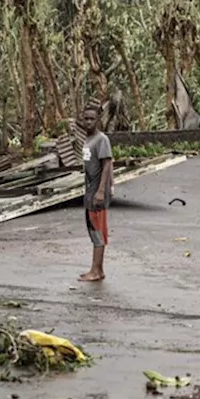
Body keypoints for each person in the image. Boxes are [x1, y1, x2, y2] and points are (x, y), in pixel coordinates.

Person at [78, 106, 113, 283]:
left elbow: (107, 164)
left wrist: (102, 190)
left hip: (97, 192)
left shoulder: (101, 139)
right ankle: (97, 269)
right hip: (90, 190)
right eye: (86, 119)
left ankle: (96, 271)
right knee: (92, 229)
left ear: (98, 120)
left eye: (92, 119)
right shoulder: (88, 139)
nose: (89, 122)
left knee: (98, 230)